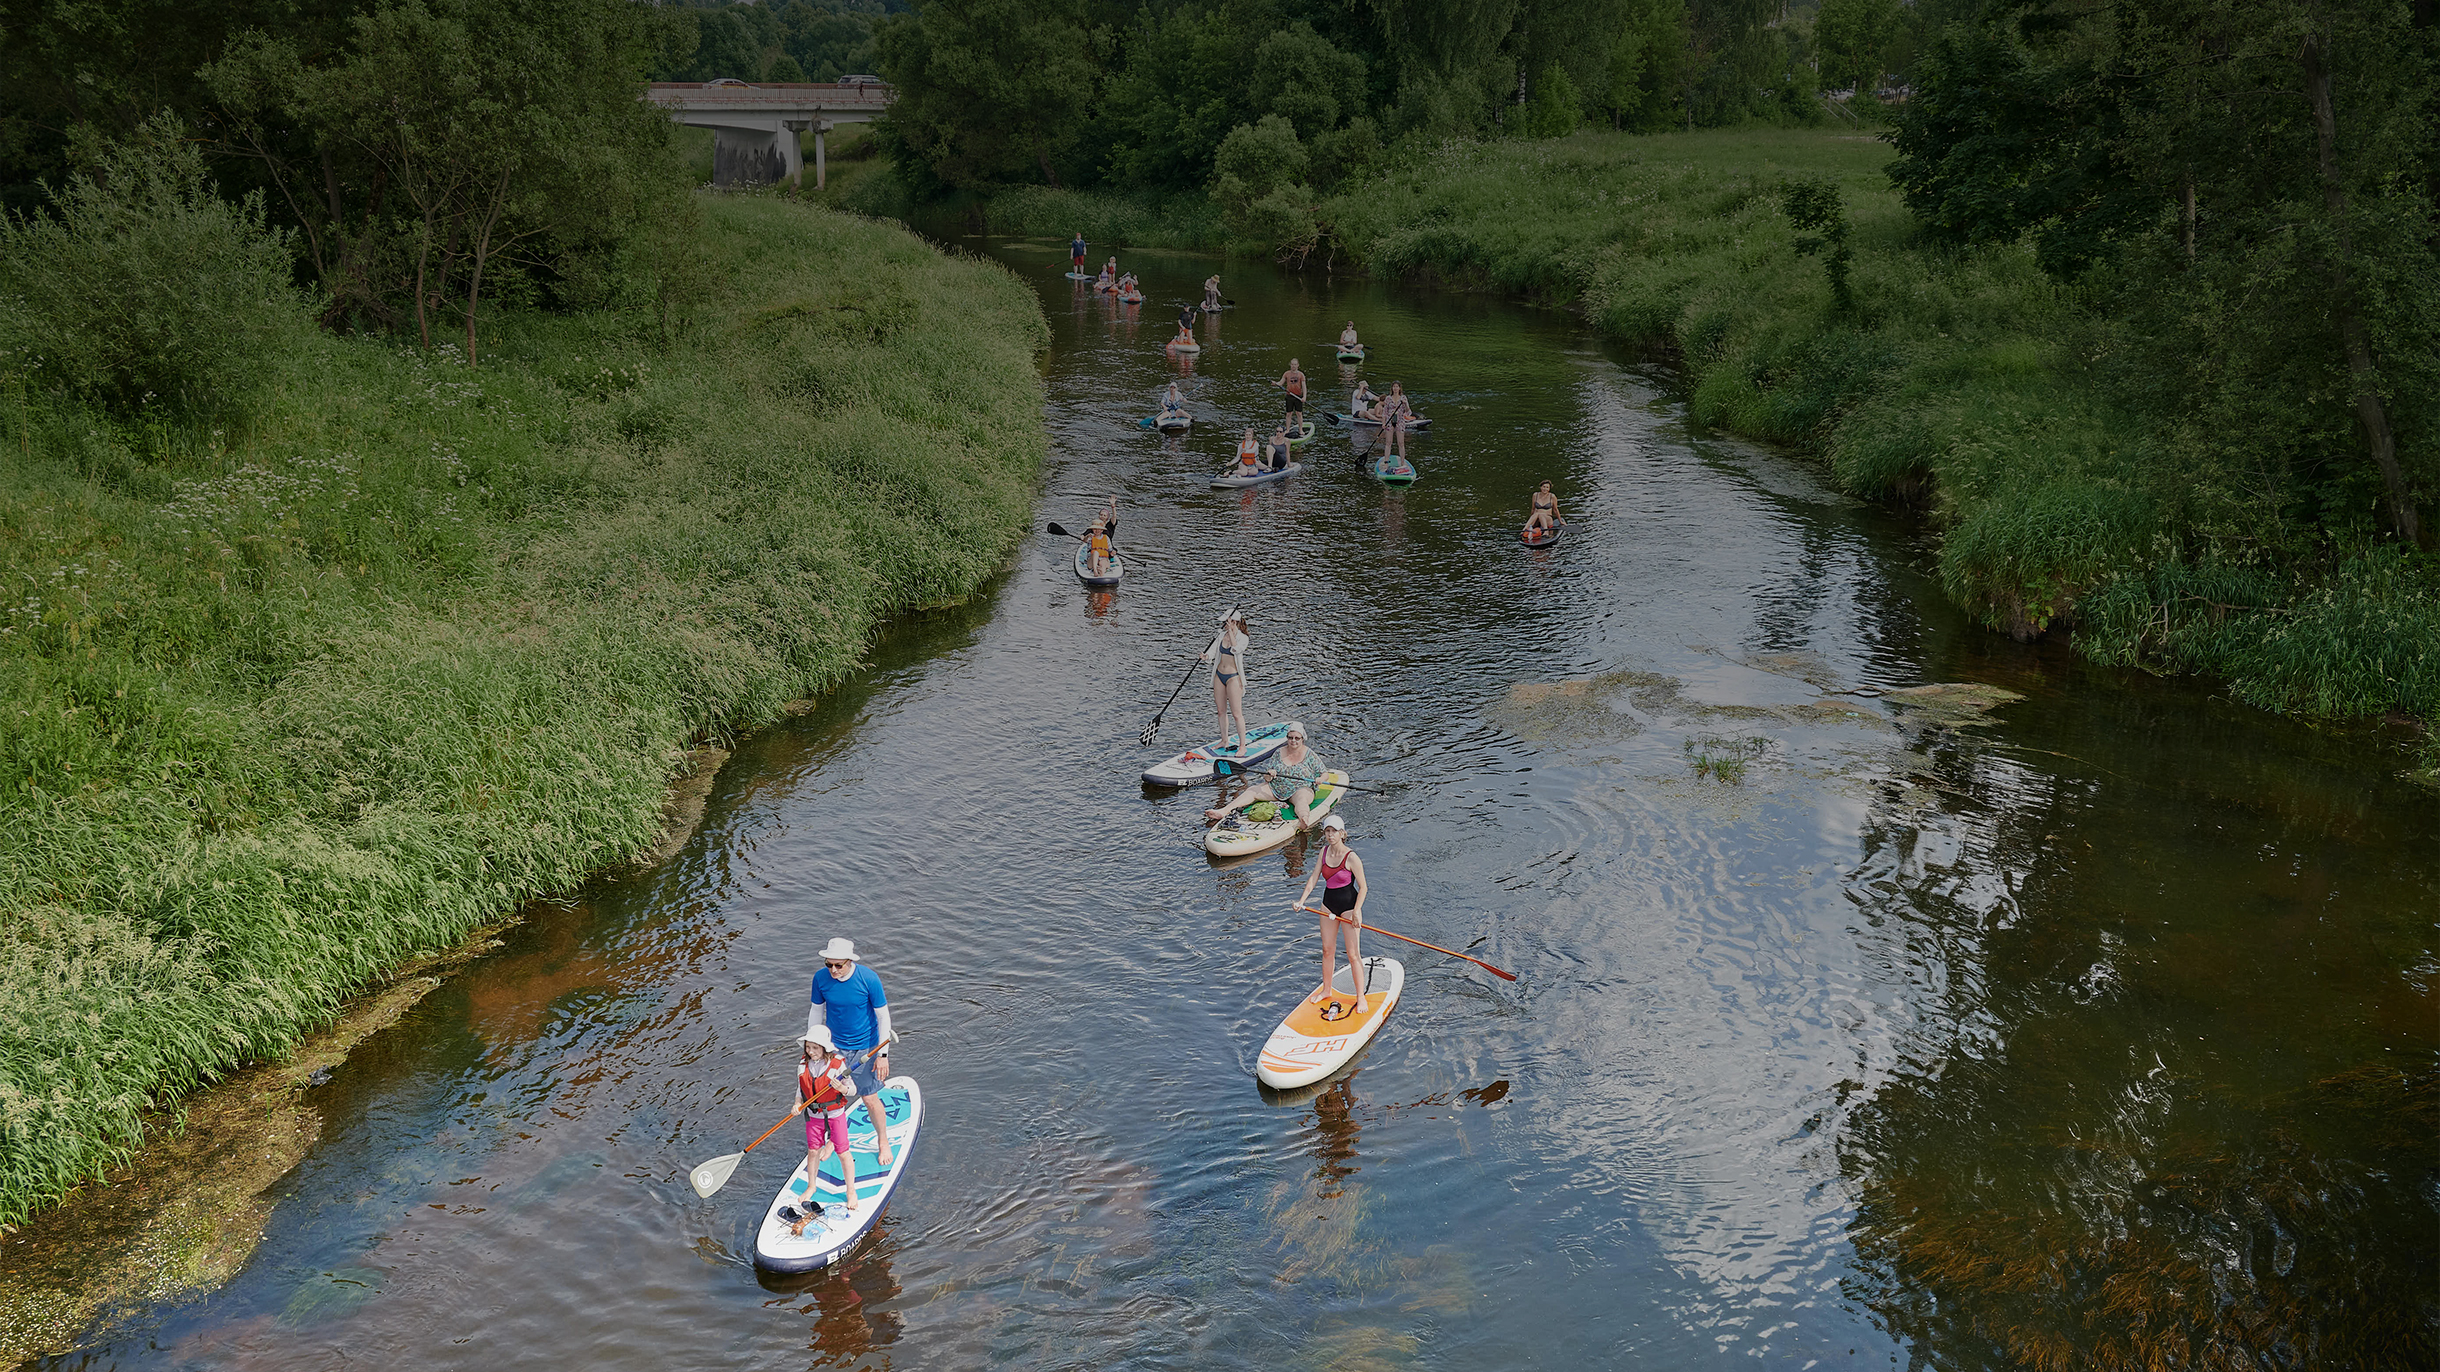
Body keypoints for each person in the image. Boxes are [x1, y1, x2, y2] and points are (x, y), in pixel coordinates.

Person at [807, 937, 897, 1165]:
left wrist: (883, 1054)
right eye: (829, 965)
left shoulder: (868, 979)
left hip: (865, 1047)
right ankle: (833, 1141)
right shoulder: (820, 979)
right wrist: (813, 1047)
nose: (833, 970)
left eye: (839, 965)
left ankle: (883, 1141)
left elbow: (883, 1016)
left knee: (868, 1097)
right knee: (831, 1098)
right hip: (834, 1047)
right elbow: (816, 1012)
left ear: (850, 961)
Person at [780, 1025, 859, 1233]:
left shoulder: (838, 1065)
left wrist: (841, 1088)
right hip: (814, 1114)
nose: (811, 1052)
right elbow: (800, 1089)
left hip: (834, 1113)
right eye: (808, 1047)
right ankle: (811, 1185)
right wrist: (797, 1104)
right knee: (813, 1151)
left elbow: (852, 1089)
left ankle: (851, 1190)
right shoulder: (802, 1065)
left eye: (815, 1048)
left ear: (824, 1048)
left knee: (843, 1152)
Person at [1295, 814, 1370, 1014]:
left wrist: (1356, 911)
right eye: (1327, 831)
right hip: (1328, 905)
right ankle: (1326, 990)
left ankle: (1360, 997)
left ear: (1342, 833)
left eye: (1334, 831)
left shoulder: (1351, 857)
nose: (1329, 835)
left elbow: (1363, 888)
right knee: (1327, 950)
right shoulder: (1323, 852)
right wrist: (1302, 901)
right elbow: (1313, 878)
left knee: (1353, 954)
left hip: (1349, 907)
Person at [1204, 724, 1328, 827]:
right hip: (1277, 788)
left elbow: (1324, 773)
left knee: (1302, 800)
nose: (1293, 741)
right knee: (1252, 790)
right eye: (1290, 738)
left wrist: (1320, 779)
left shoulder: (1309, 754)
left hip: (1300, 788)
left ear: (1302, 739)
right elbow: (1267, 779)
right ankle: (1223, 811)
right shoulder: (1278, 753)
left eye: (1297, 738)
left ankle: (1304, 819)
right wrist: (1269, 775)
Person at [1200, 609, 1251, 757]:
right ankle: (1224, 740)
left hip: (1233, 677)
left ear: (1233, 622)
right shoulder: (1221, 635)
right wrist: (1206, 656)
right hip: (1219, 676)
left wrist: (1230, 633)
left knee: (1236, 714)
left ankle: (1243, 746)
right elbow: (1214, 651)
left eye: (1226, 622)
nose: (1224, 624)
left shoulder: (1243, 638)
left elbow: (1236, 650)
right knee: (1221, 711)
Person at [1277, 359, 1307, 431]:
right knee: (1288, 414)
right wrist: (1275, 383)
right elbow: (1281, 383)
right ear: (1290, 365)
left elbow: (1304, 386)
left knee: (1299, 413)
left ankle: (1300, 429)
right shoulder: (1286, 374)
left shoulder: (1301, 375)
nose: (1293, 366)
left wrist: (1304, 397)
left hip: (1298, 396)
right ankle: (1287, 430)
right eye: (1292, 364)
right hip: (1289, 396)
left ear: (1298, 365)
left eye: (1295, 364)